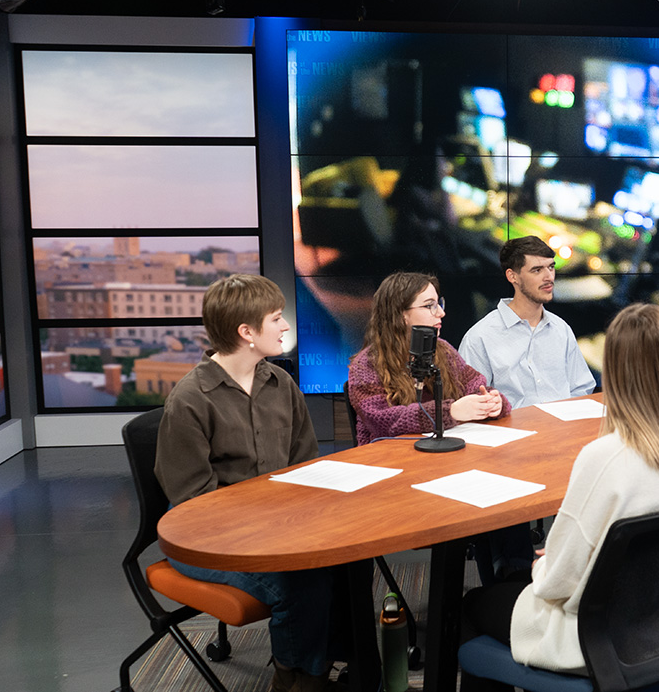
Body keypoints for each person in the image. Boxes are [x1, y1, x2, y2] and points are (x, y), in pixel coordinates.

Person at [458, 303, 659, 686]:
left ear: (615, 368)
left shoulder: (605, 458)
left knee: (471, 604)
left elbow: (556, 585)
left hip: (597, 638)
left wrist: (546, 561)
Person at [154, 274, 337, 692]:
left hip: (274, 526)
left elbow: (303, 465)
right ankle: (296, 678)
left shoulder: (281, 384)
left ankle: (325, 665)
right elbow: (193, 505)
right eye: (276, 319)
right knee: (299, 582)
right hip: (206, 537)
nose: (286, 326)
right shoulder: (190, 399)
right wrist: (270, 525)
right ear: (246, 332)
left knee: (340, 564)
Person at [347, 272, 511, 444]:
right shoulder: (367, 364)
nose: (441, 313)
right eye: (428, 306)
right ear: (400, 314)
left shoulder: (443, 349)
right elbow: (381, 420)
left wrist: (491, 402)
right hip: (391, 457)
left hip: (444, 453)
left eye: (439, 304)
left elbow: (476, 386)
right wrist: (450, 412)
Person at [459, 236, 595, 409]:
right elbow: (471, 403)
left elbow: (581, 388)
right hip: (511, 433)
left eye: (551, 268)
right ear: (512, 276)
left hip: (563, 431)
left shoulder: (561, 329)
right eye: (537, 270)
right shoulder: (479, 337)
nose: (549, 277)